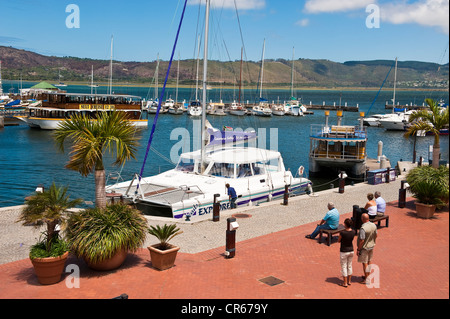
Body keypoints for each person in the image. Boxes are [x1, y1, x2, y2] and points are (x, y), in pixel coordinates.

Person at [357, 213, 378, 284]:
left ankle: (367, 279)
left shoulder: (363, 228)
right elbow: (376, 235)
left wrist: (358, 249)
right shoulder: (373, 225)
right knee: (369, 261)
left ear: (362, 219)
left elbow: (362, 240)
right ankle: (368, 275)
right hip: (371, 246)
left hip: (364, 248)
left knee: (364, 263)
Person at [338, 218, 356, 287]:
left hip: (344, 251)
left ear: (345, 224)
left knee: (344, 266)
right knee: (350, 265)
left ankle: (345, 282)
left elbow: (339, 240)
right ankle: (349, 281)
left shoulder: (342, 233)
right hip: (351, 250)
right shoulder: (353, 232)